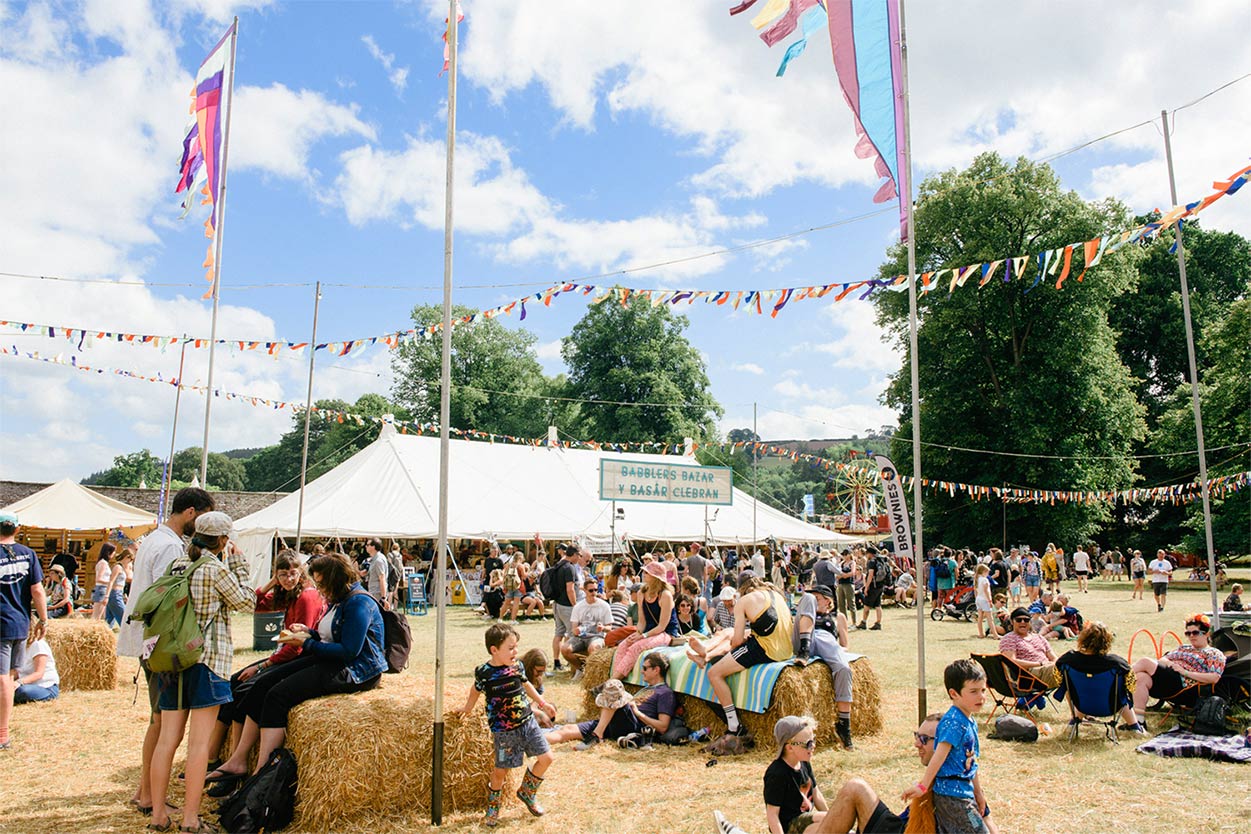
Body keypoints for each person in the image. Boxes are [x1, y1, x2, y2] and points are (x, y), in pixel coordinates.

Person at [146, 511, 254, 834]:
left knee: (167, 740)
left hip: (171, 661)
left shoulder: (178, 564)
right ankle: (191, 819)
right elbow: (247, 602)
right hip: (206, 660)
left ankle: (158, 816)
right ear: (222, 540)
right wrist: (240, 566)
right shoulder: (215, 568)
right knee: (198, 745)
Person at [116, 487, 214, 816]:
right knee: (162, 721)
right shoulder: (171, 545)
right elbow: (168, 599)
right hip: (159, 645)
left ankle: (145, 789)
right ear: (190, 512)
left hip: (149, 643)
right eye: (201, 518)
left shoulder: (155, 540)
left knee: (158, 720)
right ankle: (147, 796)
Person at [205, 549, 325, 796]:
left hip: (297, 657)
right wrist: (272, 582)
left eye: (293, 574)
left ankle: (237, 763)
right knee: (235, 683)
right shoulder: (290, 594)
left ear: (301, 572)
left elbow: (296, 644)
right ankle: (217, 758)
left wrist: (263, 665)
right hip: (285, 654)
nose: (288, 579)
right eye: (283, 575)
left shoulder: (306, 597)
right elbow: (255, 604)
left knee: (249, 688)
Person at [456, 623, 556, 826]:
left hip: (528, 723)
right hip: (504, 732)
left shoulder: (517, 666)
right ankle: (493, 809)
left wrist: (543, 704)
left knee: (546, 758)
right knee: (500, 772)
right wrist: (467, 709)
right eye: (510, 648)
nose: (515, 651)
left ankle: (527, 793)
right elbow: (475, 691)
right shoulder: (483, 672)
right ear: (494, 650)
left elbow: (526, 684)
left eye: (516, 647)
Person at [900, 659, 989, 833]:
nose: (981, 697)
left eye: (983, 690)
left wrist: (978, 793)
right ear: (954, 694)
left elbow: (972, 761)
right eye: (974, 691)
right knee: (979, 830)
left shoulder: (969, 720)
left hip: (964, 793)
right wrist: (923, 786)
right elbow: (938, 756)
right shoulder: (953, 722)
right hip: (953, 796)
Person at [707, 575, 794, 741]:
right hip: (786, 650)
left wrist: (736, 642)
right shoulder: (776, 594)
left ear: (740, 589)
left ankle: (734, 725)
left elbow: (737, 641)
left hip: (766, 649)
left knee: (714, 673)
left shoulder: (744, 601)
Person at [546, 652, 679, 749]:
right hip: (614, 721)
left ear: (656, 670)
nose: (642, 671)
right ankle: (530, 742)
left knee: (614, 686)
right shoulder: (646, 689)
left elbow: (663, 727)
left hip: (632, 726)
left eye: (645, 668)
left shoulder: (665, 693)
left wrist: (638, 713)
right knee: (566, 729)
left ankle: (597, 735)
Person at [1, 511, 50, 753]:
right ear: (17, 530)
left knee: (3, 678)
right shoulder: (28, 554)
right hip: (20, 624)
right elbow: (38, 591)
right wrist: (43, 619)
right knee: (9, 676)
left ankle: (2, 734)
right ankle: (3, 732)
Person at [1129, 613, 1226, 728]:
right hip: (1169, 678)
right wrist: (1171, 664)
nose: (1191, 636)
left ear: (1207, 634)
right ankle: (1139, 723)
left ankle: (1118, 675)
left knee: (1145, 662)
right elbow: (1163, 659)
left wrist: (1185, 672)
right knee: (1141, 677)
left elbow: (1214, 678)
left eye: (1195, 633)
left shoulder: (1214, 653)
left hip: (1186, 686)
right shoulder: (1184, 648)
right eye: (1188, 633)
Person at [1055, 621, 1146, 735]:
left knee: (1070, 687)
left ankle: (1074, 721)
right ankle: (1135, 727)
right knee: (1122, 693)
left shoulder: (1067, 660)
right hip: (1110, 706)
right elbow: (1132, 685)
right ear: (1107, 641)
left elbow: (1058, 679)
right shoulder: (1118, 664)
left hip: (1081, 704)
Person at [793, 585, 854, 749]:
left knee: (844, 669)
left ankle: (844, 725)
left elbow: (844, 645)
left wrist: (834, 652)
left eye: (817, 599)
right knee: (807, 599)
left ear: (828, 601)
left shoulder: (838, 617)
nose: (813, 603)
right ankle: (804, 650)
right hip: (803, 639)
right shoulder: (806, 609)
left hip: (826, 642)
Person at [612, 562, 678, 679]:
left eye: (647, 572)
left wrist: (643, 636)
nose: (644, 574)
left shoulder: (665, 595)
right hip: (648, 632)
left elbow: (662, 626)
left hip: (665, 633)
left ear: (655, 577)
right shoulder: (641, 593)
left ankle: (612, 681)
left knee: (635, 648)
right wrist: (638, 634)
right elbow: (642, 622)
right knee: (623, 645)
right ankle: (615, 681)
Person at [997, 606, 1060, 687]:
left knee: (1070, 665)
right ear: (1012, 622)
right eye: (1019, 620)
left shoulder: (1039, 638)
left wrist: (1056, 664)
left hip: (1048, 669)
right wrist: (1039, 664)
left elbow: (1054, 657)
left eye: (1026, 620)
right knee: (1067, 671)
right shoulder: (1009, 639)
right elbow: (1011, 662)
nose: (1023, 622)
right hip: (1028, 676)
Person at [565, 578, 612, 680]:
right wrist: (576, 630)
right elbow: (574, 628)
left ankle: (592, 673)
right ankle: (581, 669)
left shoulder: (604, 605)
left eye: (596, 590)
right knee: (565, 649)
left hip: (597, 636)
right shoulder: (578, 606)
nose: (594, 593)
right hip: (581, 637)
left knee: (593, 648)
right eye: (591, 590)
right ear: (585, 591)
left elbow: (610, 627)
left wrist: (603, 628)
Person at [13, 626, 59, 704]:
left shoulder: (38, 644)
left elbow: (39, 673)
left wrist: (18, 683)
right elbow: (17, 672)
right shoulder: (19, 646)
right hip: (26, 684)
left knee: (22, 691)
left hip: (45, 687)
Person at [520, 648, 554, 728]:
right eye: (539, 671)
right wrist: (534, 710)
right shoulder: (517, 670)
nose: (541, 674)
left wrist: (535, 707)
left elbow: (540, 694)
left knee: (550, 708)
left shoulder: (536, 676)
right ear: (530, 666)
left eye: (543, 671)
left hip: (526, 707)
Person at [857, 547, 887, 631]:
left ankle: (863, 622)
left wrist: (866, 587)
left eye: (867, 554)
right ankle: (878, 623)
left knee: (867, 605)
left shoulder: (872, 562)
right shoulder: (881, 560)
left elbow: (870, 575)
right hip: (880, 585)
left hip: (872, 586)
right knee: (878, 605)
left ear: (870, 553)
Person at [104, 547, 131, 628]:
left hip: (118, 593)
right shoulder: (118, 567)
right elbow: (111, 581)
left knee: (109, 621)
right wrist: (106, 595)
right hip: (114, 594)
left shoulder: (122, 568)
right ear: (127, 557)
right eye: (131, 560)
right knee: (124, 618)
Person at [90, 542, 115, 619]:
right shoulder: (103, 563)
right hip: (101, 589)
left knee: (100, 615)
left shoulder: (103, 563)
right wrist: (110, 582)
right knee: (97, 615)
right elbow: (99, 579)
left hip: (102, 589)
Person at [364, 537, 389, 605]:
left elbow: (382, 578)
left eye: (368, 545)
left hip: (377, 593)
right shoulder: (374, 559)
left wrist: (383, 598)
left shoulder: (378, 560)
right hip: (373, 591)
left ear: (373, 547)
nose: (366, 546)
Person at [834, 550, 858, 619]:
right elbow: (837, 572)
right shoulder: (842, 563)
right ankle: (844, 620)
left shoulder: (852, 563)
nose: (844, 556)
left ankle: (854, 621)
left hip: (848, 584)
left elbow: (853, 573)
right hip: (841, 584)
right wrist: (840, 576)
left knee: (851, 603)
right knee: (841, 603)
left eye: (846, 554)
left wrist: (845, 575)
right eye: (843, 555)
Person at [973, 564, 994, 640]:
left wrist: (976, 599)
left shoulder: (977, 579)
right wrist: (990, 600)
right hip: (984, 599)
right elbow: (986, 591)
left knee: (980, 617)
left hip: (979, 598)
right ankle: (995, 634)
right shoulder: (984, 580)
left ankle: (981, 633)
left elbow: (975, 590)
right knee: (990, 618)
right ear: (984, 572)